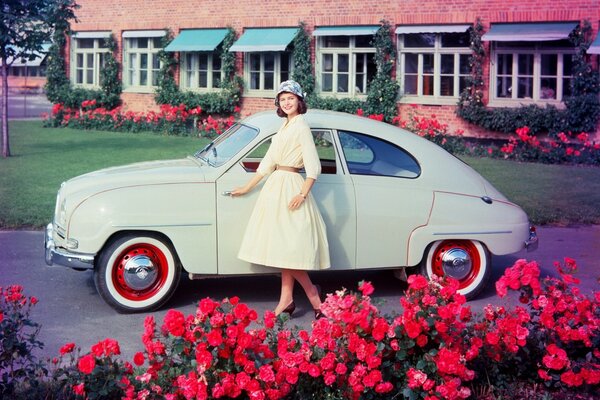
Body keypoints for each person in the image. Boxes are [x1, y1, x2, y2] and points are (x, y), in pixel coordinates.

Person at [231, 80, 330, 318]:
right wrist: (246, 187)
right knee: (284, 250)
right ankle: (287, 299)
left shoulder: (301, 126)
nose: (287, 103)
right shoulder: (284, 127)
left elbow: (313, 166)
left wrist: (302, 193)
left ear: (299, 101)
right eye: (283, 99)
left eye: (291, 98)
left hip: (292, 187)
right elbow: (267, 163)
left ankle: (315, 300)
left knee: (290, 249)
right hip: (276, 187)